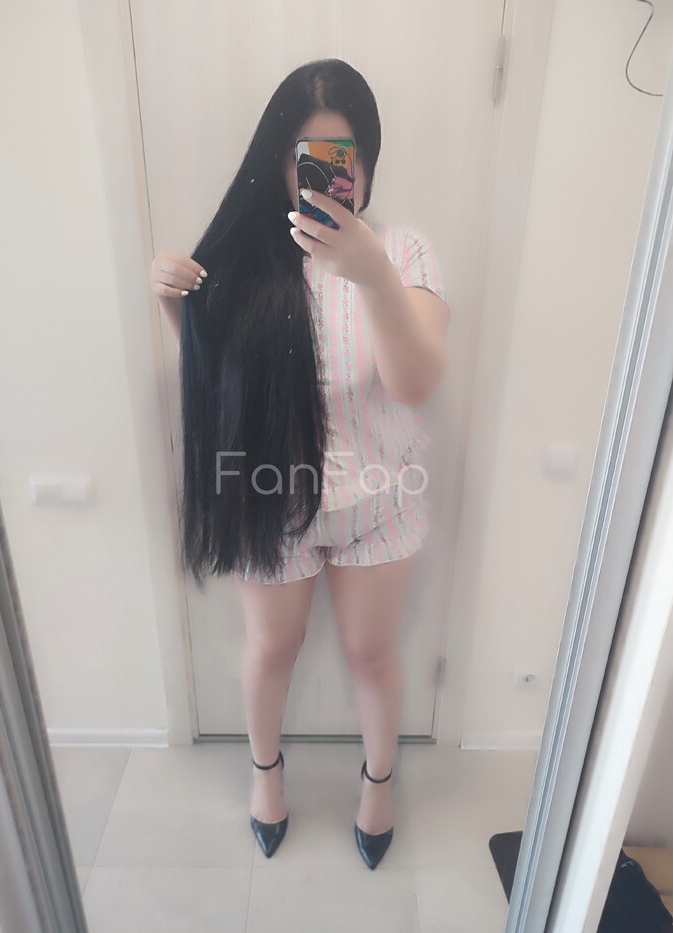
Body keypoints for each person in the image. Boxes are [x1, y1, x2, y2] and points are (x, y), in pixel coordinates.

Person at [150, 59, 450, 870]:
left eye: (340, 157)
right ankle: (266, 777)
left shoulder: (403, 251)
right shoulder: (248, 261)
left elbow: (415, 382)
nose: (322, 175)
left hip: (381, 501)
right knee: (270, 649)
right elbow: (221, 388)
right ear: (278, 162)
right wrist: (179, 309)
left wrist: (372, 274)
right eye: (304, 157)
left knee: (372, 654)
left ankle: (379, 784)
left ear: (367, 161)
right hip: (270, 501)